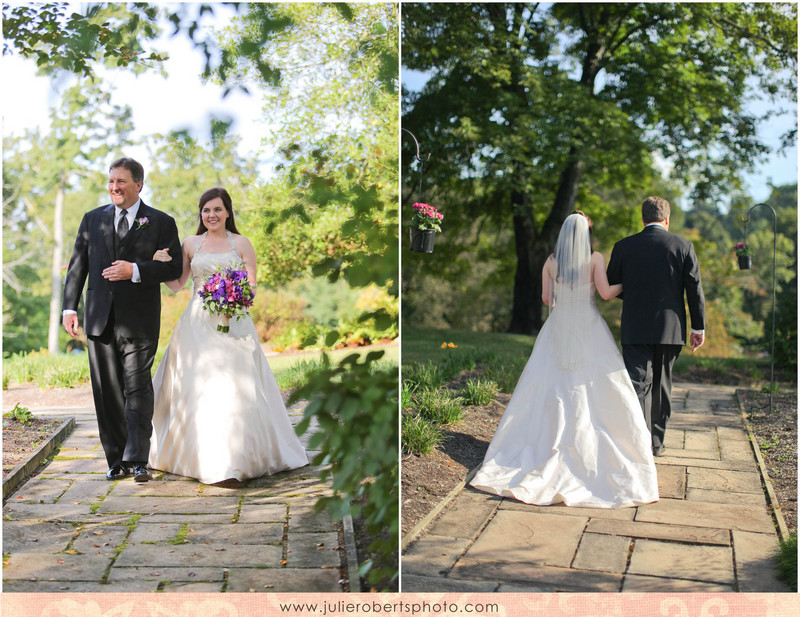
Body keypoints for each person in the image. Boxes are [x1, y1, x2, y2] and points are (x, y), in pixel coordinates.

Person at [470, 211, 658, 508]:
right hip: (588, 325)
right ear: (584, 234)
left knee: (550, 382)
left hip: (558, 326)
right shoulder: (595, 259)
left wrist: (562, 297)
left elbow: (547, 300)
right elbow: (607, 293)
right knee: (596, 385)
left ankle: (540, 447)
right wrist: (629, 283)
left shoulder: (550, 262)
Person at [147, 187, 308, 484]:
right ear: (200, 214)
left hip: (235, 322)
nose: (212, 215)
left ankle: (239, 457)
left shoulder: (243, 244)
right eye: (206, 210)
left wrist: (233, 297)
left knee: (236, 385)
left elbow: (252, 286)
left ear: (228, 212)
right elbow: (178, 284)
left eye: (217, 209)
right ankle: (203, 458)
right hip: (196, 326)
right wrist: (157, 264)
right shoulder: (191, 244)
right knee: (201, 386)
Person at [62, 157, 182, 483]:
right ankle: (116, 460)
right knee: (107, 392)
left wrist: (137, 269)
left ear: (139, 184)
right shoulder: (92, 220)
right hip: (99, 320)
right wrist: (69, 309)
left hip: (140, 321)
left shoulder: (160, 222)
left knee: (138, 388)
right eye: (111, 181)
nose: (114, 187)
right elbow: (77, 267)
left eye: (122, 182)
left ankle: (139, 459)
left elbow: (173, 269)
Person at [607, 196, 706, 456]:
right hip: (670, 329)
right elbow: (694, 289)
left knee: (638, 385)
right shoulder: (683, 246)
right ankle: (656, 443)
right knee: (662, 386)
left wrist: (637, 291)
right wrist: (698, 328)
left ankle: (637, 441)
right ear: (667, 219)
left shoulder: (623, 246)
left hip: (635, 327)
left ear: (643, 219)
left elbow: (612, 285)